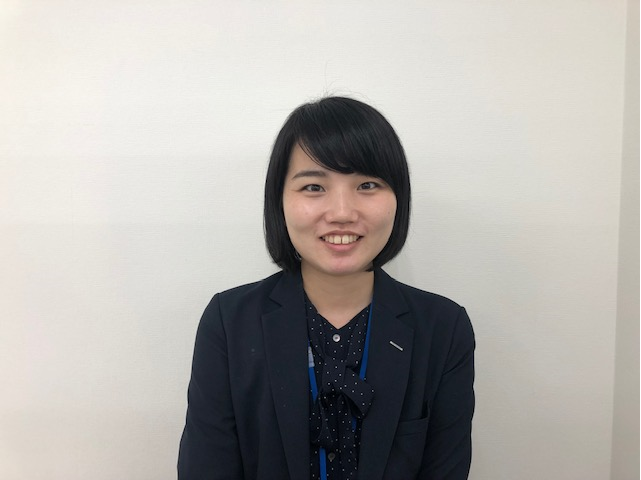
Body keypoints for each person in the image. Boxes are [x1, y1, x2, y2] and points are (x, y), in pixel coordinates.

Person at [178, 96, 475, 480]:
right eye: (314, 187)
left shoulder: (444, 328)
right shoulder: (229, 322)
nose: (341, 213)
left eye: (367, 184)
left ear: (398, 198)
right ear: (279, 201)